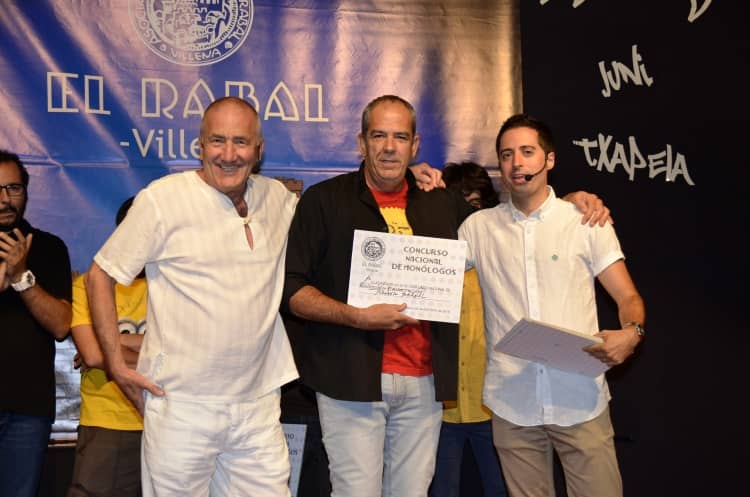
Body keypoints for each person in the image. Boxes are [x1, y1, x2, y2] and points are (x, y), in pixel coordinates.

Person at [283, 95, 608, 497]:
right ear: (361, 143)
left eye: (400, 137)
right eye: (379, 136)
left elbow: (510, 220)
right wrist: (357, 317)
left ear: (415, 145)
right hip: (349, 380)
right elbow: (293, 290)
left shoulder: (440, 201)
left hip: (423, 384)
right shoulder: (324, 200)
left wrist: (569, 203)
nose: (389, 147)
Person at [85, 97, 300, 497]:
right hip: (182, 404)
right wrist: (115, 363)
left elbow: (334, 213)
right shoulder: (163, 199)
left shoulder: (277, 199)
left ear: (259, 149)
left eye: (241, 142)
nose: (229, 155)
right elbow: (100, 275)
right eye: (217, 141)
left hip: (257, 404)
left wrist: (412, 179)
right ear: (200, 146)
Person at [458, 114, 645, 497]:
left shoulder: (585, 221)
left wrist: (632, 332)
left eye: (527, 152)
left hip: (580, 397)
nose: (517, 163)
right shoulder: (477, 228)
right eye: (507, 154)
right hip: (512, 401)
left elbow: (628, 297)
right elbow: (429, 273)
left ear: (550, 159)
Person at [429, 162, 507, 497]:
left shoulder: (499, 261)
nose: (466, 217)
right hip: (441, 407)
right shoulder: (428, 264)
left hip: (490, 403)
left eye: (474, 205)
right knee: (441, 490)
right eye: (458, 205)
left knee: (501, 489)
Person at [0, 150, 73, 497]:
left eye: (13, 188)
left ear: (26, 192)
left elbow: (61, 325)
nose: (4, 199)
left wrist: (21, 278)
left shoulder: (48, 248)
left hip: (27, 410)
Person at [67, 196, 146, 497]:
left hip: (172, 421)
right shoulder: (88, 283)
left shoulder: (175, 286)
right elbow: (93, 355)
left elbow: (189, 352)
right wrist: (151, 348)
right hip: (109, 422)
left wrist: (113, 339)